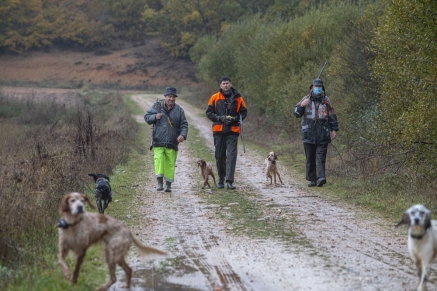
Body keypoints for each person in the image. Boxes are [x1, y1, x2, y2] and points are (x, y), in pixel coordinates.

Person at [293, 78, 339, 187]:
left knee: (320, 157)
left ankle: (321, 178)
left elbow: (332, 115)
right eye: (316, 87)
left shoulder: (326, 100)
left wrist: (334, 129)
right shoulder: (305, 99)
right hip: (308, 134)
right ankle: (312, 179)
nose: (318, 88)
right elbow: (296, 113)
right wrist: (301, 105)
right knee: (310, 157)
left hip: (323, 134)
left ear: (322, 88)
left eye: (319, 87)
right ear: (312, 88)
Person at [206, 76, 248, 189]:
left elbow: (244, 112)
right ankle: (221, 178)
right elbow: (209, 113)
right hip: (218, 131)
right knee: (219, 156)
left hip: (233, 131)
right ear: (220, 86)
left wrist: (234, 119)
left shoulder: (238, 98)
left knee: (231, 155)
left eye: (227, 83)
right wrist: (220, 118)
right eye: (223, 83)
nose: (226, 85)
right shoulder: (214, 97)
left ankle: (230, 181)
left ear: (231, 84)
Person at [144, 87, 188, 192]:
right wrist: (155, 116)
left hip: (172, 142)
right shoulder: (156, 106)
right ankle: (159, 183)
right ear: (165, 97)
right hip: (158, 141)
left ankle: (168, 185)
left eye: (173, 97)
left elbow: (184, 125)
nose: (171, 99)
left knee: (170, 164)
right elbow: (146, 117)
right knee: (159, 161)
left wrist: (182, 135)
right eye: (169, 96)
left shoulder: (179, 110)